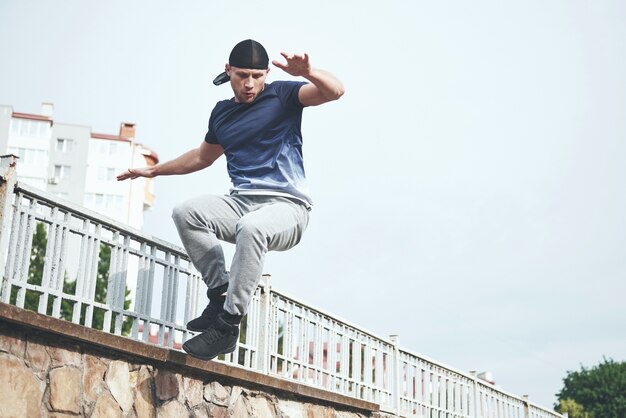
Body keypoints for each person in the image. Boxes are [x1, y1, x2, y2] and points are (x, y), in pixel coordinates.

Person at [117, 39, 344, 361]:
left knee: (251, 228)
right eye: (241, 75)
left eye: (256, 75)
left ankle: (228, 324)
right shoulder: (222, 114)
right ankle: (219, 292)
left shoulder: (283, 95)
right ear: (229, 71)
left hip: (287, 208)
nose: (249, 84)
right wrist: (153, 171)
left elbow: (335, 91)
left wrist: (309, 72)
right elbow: (200, 157)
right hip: (241, 202)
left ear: (266, 73)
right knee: (187, 212)